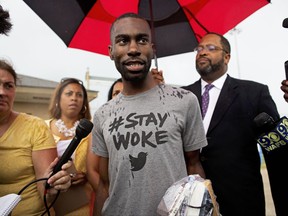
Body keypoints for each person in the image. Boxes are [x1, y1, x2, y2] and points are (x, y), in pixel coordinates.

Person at [86, 13, 207, 216]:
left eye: (142, 40)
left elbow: (194, 167)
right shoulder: (103, 114)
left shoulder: (184, 101)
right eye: (123, 41)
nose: (133, 49)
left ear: (152, 49)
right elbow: (105, 185)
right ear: (111, 51)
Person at [182, 32, 282, 216]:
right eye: (199, 49)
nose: (202, 52)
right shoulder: (180, 96)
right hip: (191, 201)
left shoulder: (254, 93)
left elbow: (276, 150)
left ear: (226, 57)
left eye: (210, 48)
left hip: (241, 201)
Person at [0, 59, 71, 215]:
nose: (2, 92)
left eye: (8, 86)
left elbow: (45, 188)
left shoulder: (35, 127)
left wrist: (52, 186)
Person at [46, 77, 94, 215]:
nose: (74, 98)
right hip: (48, 201)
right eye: (69, 93)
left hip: (80, 202)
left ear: (84, 102)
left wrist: (86, 175)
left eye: (79, 95)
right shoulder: (42, 128)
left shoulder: (93, 131)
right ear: (58, 99)